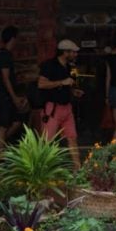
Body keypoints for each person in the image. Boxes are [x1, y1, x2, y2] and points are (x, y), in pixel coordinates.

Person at [38, 39, 84, 167]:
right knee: (48, 141)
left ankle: (78, 168)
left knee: (72, 138)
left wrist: (73, 92)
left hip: (66, 107)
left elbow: (65, 85)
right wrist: (61, 82)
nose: (75, 55)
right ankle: (43, 170)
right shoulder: (49, 65)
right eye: (73, 52)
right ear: (65, 52)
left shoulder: (68, 66)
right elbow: (41, 84)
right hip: (53, 108)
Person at [0, 26, 27, 151]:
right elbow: (5, 78)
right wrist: (14, 98)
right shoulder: (4, 56)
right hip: (3, 97)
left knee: (17, 121)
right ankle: (0, 154)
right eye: (17, 38)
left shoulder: (2, 54)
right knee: (3, 126)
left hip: (5, 96)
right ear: (13, 38)